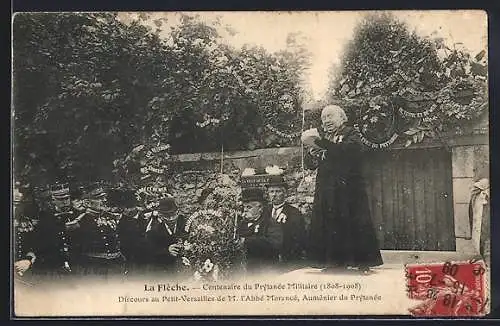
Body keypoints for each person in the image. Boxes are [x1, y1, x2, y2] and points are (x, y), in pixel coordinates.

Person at [302, 105, 383, 274]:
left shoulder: (350, 133)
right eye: (324, 118)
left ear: (342, 117)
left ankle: (363, 263)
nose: (326, 121)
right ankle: (334, 263)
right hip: (328, 190)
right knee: (331, 223)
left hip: (348, 190)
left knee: (354, 222)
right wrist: (312, 153)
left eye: (330, 116)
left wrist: (322, 144)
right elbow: (310, 165)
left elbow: (349, 151)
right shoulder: (324, 137)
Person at [69, 184, 126, 278]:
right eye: (99, 198)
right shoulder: (81, 221)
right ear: (87, 202)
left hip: (116, 267)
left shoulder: (110, 217)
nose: (104, 200)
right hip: (95, 269)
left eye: (104, 197)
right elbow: (74, 250)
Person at [264, 175, 307, 270]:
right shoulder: (264, 211)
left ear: (285, 193)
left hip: (287, 261)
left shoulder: (294, 213)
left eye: (278, 191)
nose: (274, 195)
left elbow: (299, 238)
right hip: (267, 260)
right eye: (271, 192)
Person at [31, 183, 74, 277]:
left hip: (76, 263)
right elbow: (40, 243)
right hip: (54, 264)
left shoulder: (77, 215)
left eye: (67, 198)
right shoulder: (45, 218)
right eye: (60, 199)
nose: (65, 202)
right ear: (53, 200)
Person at [142, 195, 187, 274]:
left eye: (173, 215)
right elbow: (149, 251)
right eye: (167, 216)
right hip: (165, 270)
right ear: (161, 216)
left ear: (178, 212)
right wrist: (167, 250)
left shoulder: (184, 222)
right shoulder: (154, 230)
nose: (171, 219)